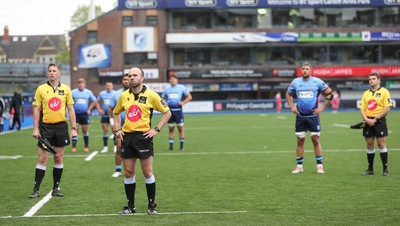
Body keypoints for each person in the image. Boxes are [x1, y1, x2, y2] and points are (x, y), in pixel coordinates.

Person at [113, 67, 171, 215]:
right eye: (130, 75)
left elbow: (167, 112)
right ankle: (130, 207)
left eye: (135, 75)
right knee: (128, 172)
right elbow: (115, 112)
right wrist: (117, 129)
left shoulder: (152, 95)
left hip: (143, 137)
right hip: (127, 137)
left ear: (142, 78)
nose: (132, 78)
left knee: (147, 172)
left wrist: (156, 129)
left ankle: (152, 206)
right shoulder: (123, 96)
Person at [29, 63, 78, 198]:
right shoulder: (41, 89)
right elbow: (36, 109)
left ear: (59, 73)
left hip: (61, 127)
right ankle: (36, 189)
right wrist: (35, 128)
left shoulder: (66, 89)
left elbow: (71, 109)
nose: (51, 73)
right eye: (49, 71)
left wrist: (74, 128)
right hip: (46, 127)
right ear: (47, 73)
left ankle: (56, 188)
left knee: (58, 157)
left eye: (54, 71)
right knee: (43, 157)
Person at [285, 62, 333, 174]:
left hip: (313, 117)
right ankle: (299, 167)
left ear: (311, 71)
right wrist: (292, 106)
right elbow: (288, 94)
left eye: (307, 69)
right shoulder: (295, 82)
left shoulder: (317, 82)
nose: (304, 70)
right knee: (300, 141)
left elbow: (330, 94)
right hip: (300, 117)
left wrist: (322, 107)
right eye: (303, 69)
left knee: (315, 140)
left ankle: (320, 166)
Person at [359, 72, 392, 176]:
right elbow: (362, 108)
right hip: (368, 121)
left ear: (378, 79)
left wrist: (376, 118)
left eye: (373, 79)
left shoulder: (385, 92)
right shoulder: (365, 93)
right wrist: (366, 119)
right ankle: (370, 169)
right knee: (369, 145)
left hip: (379, 121)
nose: (371, 81)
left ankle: (385, 169)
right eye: (369, 79)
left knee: (381, 144)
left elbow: (387, 108)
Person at [161, 75, 192, 151]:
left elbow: (189, 97)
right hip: (170, 111)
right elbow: (162, 99)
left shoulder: (181, 87)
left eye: (174, 79)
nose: (172, 80)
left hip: (178, 110)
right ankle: (171, 146)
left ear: (177, 80)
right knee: (171, 128)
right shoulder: (167, 89)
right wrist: (165, 104)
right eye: (171, 79)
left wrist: (183, 102)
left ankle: (182, 146)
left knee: (180, 128)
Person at [108, 73, 130, 177]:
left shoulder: (136, 93)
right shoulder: (116, 94)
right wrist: (113, 123)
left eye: (127, 79)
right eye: (124, 79)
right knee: (119, 147)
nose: (126, 81)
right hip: (120, 125)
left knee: (133, 148)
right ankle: (118, 170)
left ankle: (130, 169)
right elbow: (110, 110)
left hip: (133, 126)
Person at [71, 78, 101, 153]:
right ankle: (74, 147)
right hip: (76, 114)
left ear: (85, 84)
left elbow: (95, 101)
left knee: (85, 130)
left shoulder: (88, 92)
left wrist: (89, 109)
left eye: (82, 83)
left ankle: (86, 146)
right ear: (78, 84)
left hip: (84, 114)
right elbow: (68, 102)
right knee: (75, 130)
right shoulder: (73, 92)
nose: (81, 85)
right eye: (79, 83)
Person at [96, 81, 116, 153]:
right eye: (107, 85)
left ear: (112, 86)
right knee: (105, 130)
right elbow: (97, 102)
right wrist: (99, 109)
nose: (108, 87)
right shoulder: (102, 93)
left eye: (110, 85)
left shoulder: (115, 94)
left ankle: (115, 146)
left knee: (115, 130)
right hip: (105, 114)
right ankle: (105, 147)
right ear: (105, 86)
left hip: (113, 115)